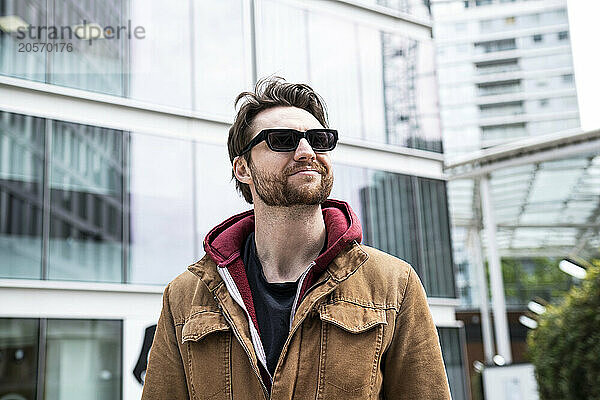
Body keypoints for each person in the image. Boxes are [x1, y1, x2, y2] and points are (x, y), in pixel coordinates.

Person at [141, 77, 451, 399]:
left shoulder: (393, 284)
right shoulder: (184, 297)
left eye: (318, 140)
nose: (307, 152)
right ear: (243, 168)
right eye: (282, 140)